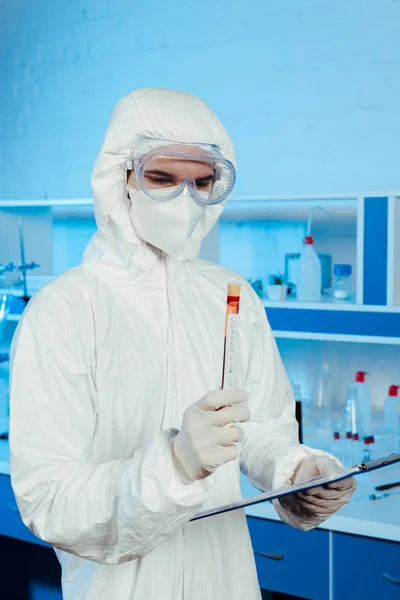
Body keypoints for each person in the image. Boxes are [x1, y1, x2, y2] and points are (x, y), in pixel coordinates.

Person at [9, 88, 355, 600]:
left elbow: (258, 428)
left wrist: (298, 472)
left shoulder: (231, 295)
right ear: (121, 177)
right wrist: (174, 464)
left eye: (202, 182)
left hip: (227, 580)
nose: (185, 200)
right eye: (162, 179)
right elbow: (50, 498)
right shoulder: (65, 310)